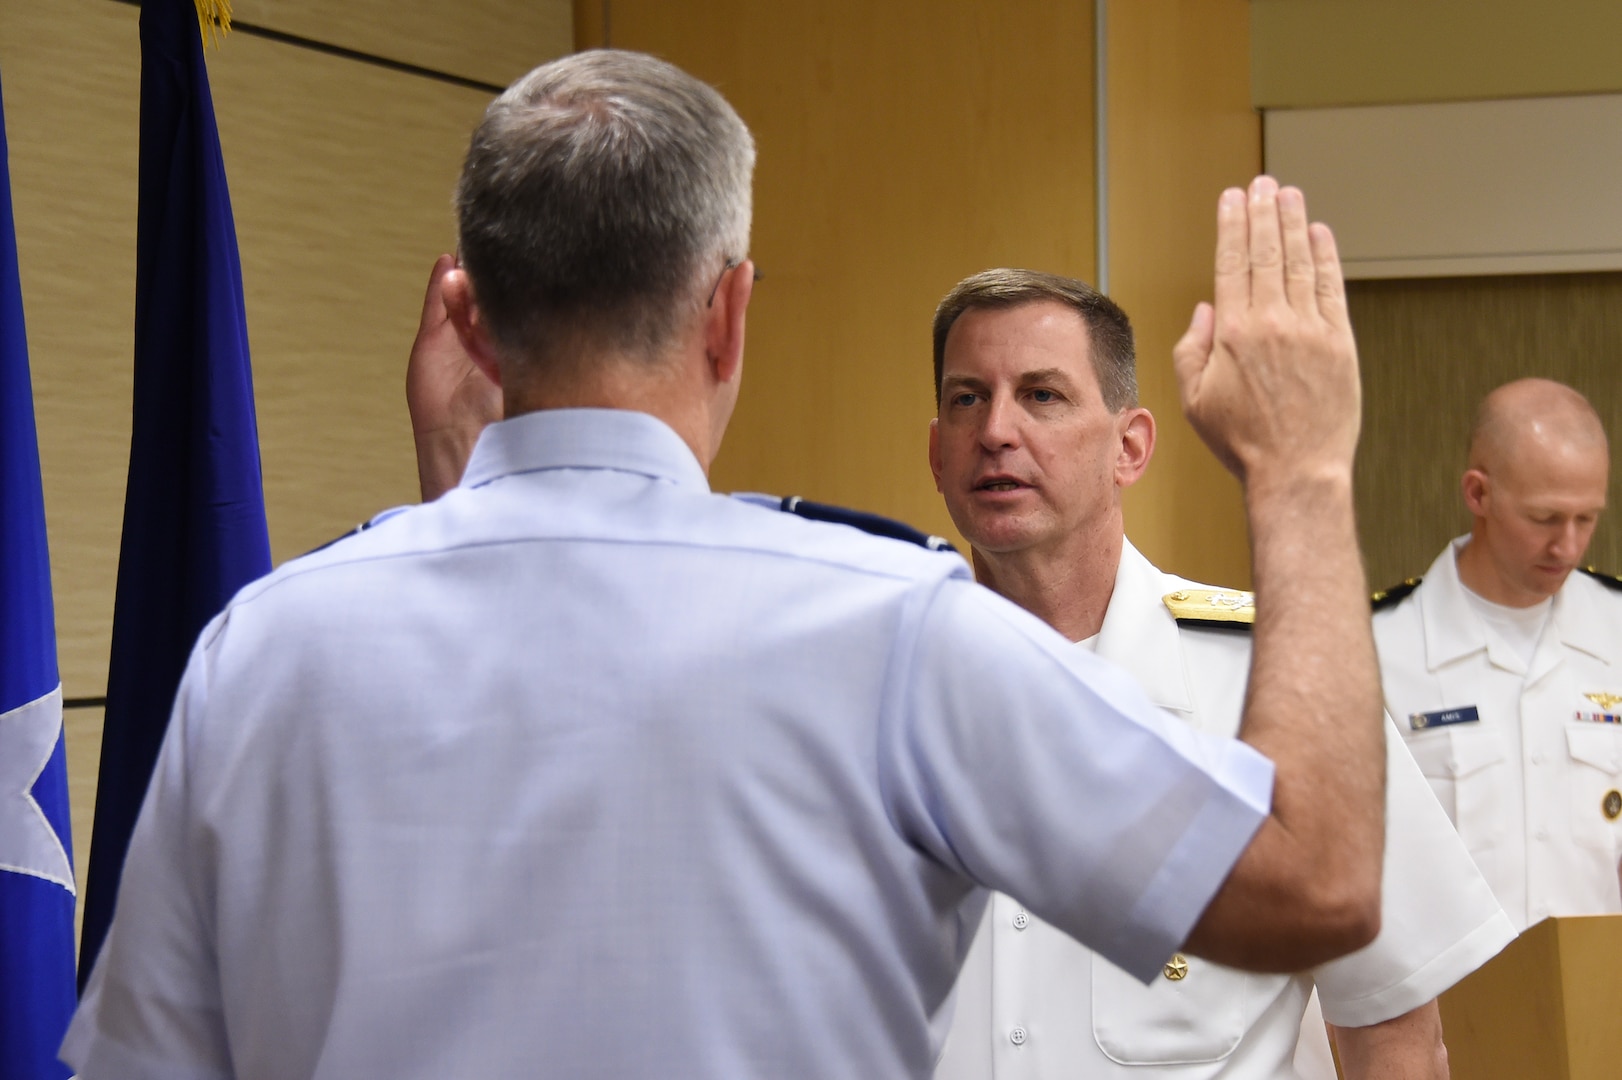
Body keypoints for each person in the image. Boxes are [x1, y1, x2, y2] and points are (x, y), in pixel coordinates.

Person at [64, 51, 1387, 1080]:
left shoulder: (261, 649)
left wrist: (456, 489)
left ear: (469, 311)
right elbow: (1313, 886)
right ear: (728, 310)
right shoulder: (890, 633)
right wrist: (1302, 471)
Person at [921, 268, 1514, 1080]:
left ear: (1129, 448)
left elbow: (1394, 1039)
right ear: (937, 452)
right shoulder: (880, 690)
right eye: (966, 399)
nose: (996, 429)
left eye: (1042, 396)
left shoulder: (1278, 686)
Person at [1373, 378, 1622, 931]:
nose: (1570, 546)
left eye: (1587, 518)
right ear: (1478, 494)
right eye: (1545, 518)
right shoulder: (1381, 648)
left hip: (1604, 1001)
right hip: (1451, 1006)